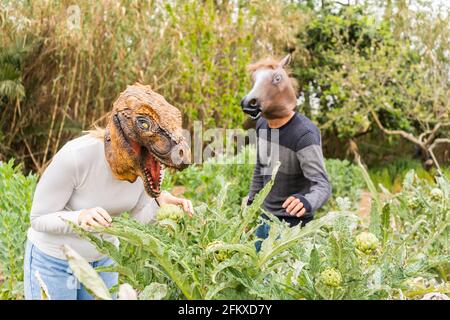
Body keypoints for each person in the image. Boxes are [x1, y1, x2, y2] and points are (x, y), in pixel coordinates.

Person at [24, 84, 193, 299]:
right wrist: (80, 217)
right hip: (54, 260)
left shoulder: (150, 165)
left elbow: (138, 219)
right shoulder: (76, 156)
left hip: (103, 261)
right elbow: (38, 219)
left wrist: (160, 205)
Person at [240, 55, 331, 251]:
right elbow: (260, 167)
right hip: (264, 220)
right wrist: (251, 202)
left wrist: (307, 201)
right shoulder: (262, 124)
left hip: (292, 227)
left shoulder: (304, 134)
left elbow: (322, 185)